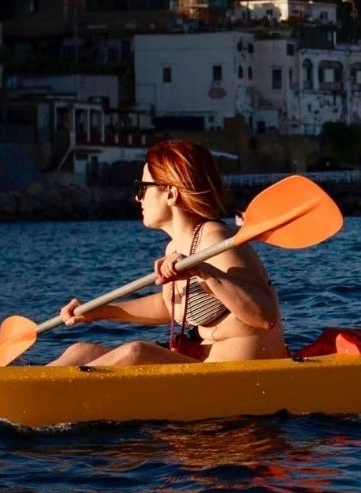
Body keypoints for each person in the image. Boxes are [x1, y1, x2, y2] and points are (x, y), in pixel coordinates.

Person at [47, 139, 286, 366]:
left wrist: (204, 272)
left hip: (244, 376)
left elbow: (266, 316)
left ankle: (57, 394)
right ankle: (29, 388)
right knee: (80, 351)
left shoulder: (217, 241)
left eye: (142, 188)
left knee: (137, 352)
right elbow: (169, 305)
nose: (136, 197)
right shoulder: (176, 247)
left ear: (171, 193)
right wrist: (100, 311)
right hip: (206, 367)